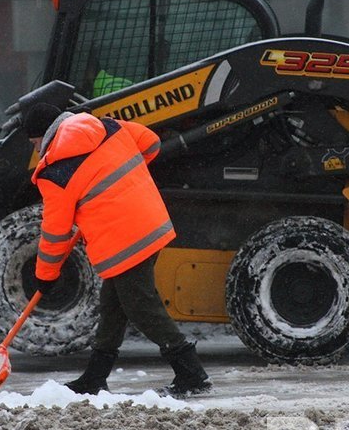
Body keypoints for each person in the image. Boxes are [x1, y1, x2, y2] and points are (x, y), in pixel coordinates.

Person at [22, 102, 211, 398]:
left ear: (44, 135)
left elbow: (55, 232)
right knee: (113, 303)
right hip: (150, 222)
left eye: (34, 143)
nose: (36, 151)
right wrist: (124, 183)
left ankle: (191, 372)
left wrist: (45, 275)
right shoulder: (108, 127)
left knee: (140, 305)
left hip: (124, 241)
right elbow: (151, 142)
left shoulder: (56, 171)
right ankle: (95, 377)